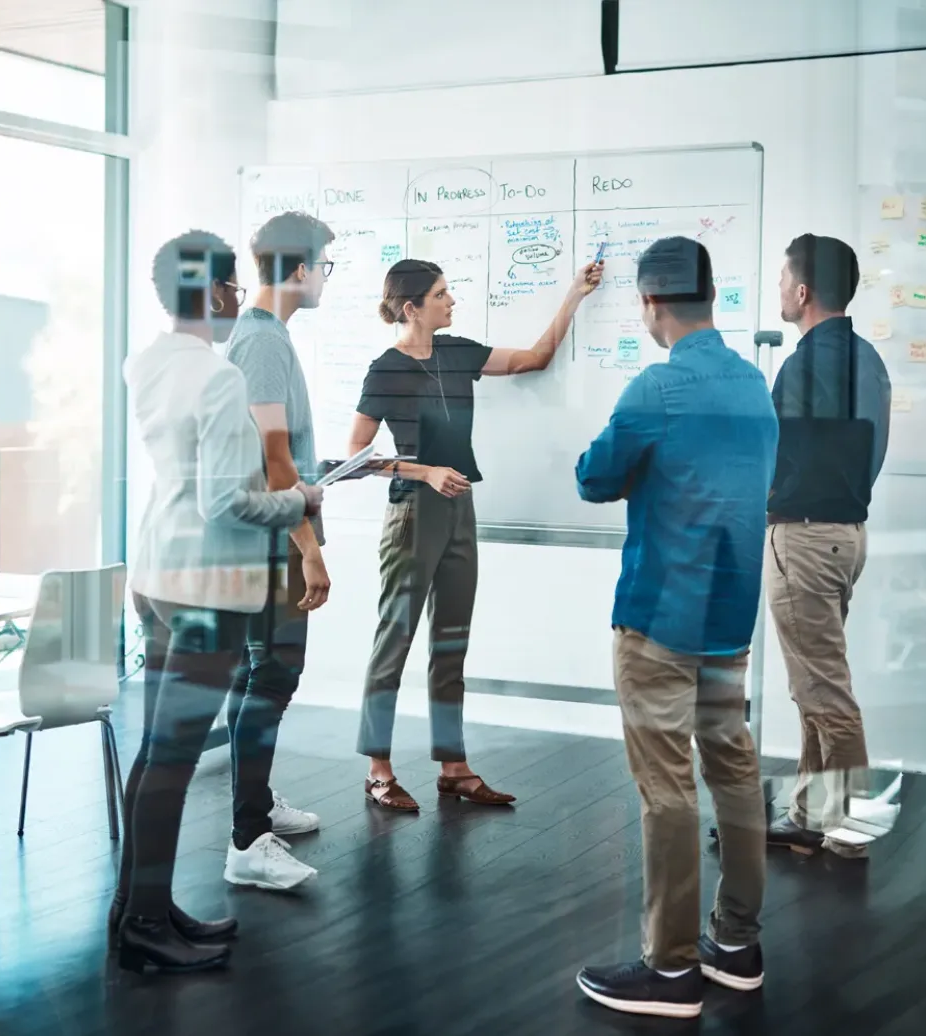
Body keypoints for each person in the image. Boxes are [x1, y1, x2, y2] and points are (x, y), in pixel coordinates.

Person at [573, 237, 778, 1020]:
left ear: (651, 303)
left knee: (666, 791)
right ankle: (737, 946)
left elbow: (594, 478)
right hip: (730, 620)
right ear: (713, 297)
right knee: (732, 770)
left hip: (660, 618)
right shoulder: (755, 387)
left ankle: (669, 970)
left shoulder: (655, 389)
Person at [114, 230, 324, 975]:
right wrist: (301, 498)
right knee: (171, 759)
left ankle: (140, 908)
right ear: (217, 293)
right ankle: (143, 923)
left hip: (156, 577)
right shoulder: (218, 375)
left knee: (155, 753)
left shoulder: (146, 362)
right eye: (233, 286)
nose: (239, 297)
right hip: (207, 587)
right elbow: (227, 502)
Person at [348, 257, 603, 811]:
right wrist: (423, 470)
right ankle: (378, 769)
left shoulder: (458, 351)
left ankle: (453, 766)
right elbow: (357, 459)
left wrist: (574, 296)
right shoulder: (384, 369)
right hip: (413, 514)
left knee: (451, 641)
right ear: (412, 307)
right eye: (442, 294)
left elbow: (535, 359)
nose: (452, 300)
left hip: (461, 509)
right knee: (395, 639)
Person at [220, 210, 336, 893]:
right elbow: (272, 455)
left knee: (259, 677)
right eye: (323, 265)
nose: (324, 279)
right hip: (272, 538)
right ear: (299, 269)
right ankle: (246, 841)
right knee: (272, 678)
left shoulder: (266, 337)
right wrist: (310, 549)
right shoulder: (262, 343)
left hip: (266, 531)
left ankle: (255, 810)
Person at [764, 234, 891, 857]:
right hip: (845, 537)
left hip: (806, 539)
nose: (780, 291)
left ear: (805, 291)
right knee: (815, 686)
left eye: (784, 280)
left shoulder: (805, 364)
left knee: (825, 695)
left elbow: (774, 457)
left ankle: (850, 833)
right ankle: (811, 815)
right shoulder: (868, 359)